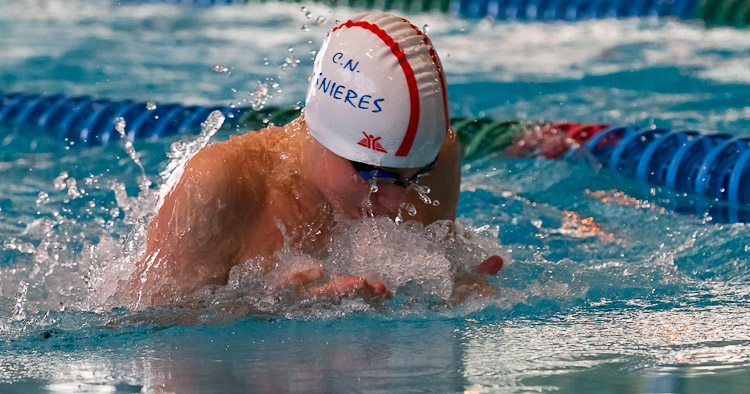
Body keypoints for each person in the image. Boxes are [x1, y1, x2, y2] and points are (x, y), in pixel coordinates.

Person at [123, 12, 502, 308]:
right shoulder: (218, 184)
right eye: (375, 173)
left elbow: (432, 291)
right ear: (324, 136)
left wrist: (456, 292)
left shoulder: (439, 154)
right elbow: (140, 327)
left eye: (417, 175)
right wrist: (271, 308)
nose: (397, 201)